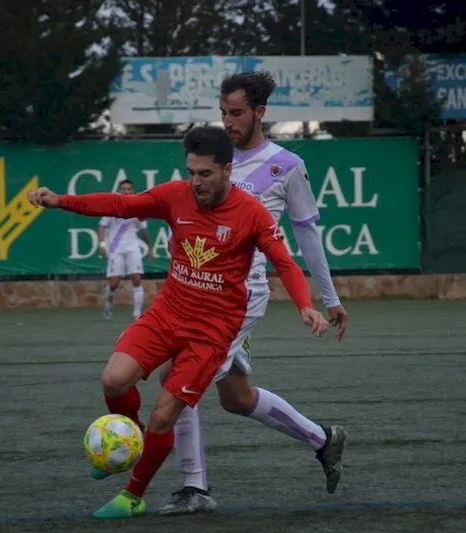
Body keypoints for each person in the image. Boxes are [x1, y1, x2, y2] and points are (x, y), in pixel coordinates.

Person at [27, 126, 329, 519]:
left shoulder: (250, 213)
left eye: (205, 174)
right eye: (191, 172)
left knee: (166, 412)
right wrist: (60, 201)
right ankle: (128, 440)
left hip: (212, 332)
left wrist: (306, 304)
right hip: (168, 312)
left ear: (226, 170)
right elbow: (121, 205)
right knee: (113, 380)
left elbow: (285, 262)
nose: (196, 182)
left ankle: (133, 495)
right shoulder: (175, 196)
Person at [153, 71, 350, 515]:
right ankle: (323, 439)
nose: (229, 121)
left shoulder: (287, 166)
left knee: (175, 377)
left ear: (260, 112)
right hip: (201, 291)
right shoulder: (213, 157)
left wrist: (329, 298)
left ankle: (194, 488)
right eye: (223, 113)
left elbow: (308, 237)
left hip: (241, 297)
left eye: (237, 113)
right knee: (236, 398)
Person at [98, 179, 154, 320]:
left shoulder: (137, 208)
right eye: (124, 189)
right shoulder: (112, 207)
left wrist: (150, 248)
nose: (126, 191)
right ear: (119, 190)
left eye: (129, 189)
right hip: (115, 248)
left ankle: (137, 314)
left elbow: (143, 230)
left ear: (133, 191)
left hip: (132, 248)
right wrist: (102, 245)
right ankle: (109, 303)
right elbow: (102, 226)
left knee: (136, 278)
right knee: (114, 282)